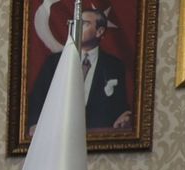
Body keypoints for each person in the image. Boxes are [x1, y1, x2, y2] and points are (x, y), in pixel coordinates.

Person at [27, 5, 131, 133]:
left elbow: (120, 106)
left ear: (99, 31)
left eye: (84, 24)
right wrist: (35, 126)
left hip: (98, 137)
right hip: (58, 135)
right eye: (75, 23)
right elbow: (36, 100)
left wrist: (125, 116)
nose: (77, 28)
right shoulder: (54, 62)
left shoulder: (114, 66)